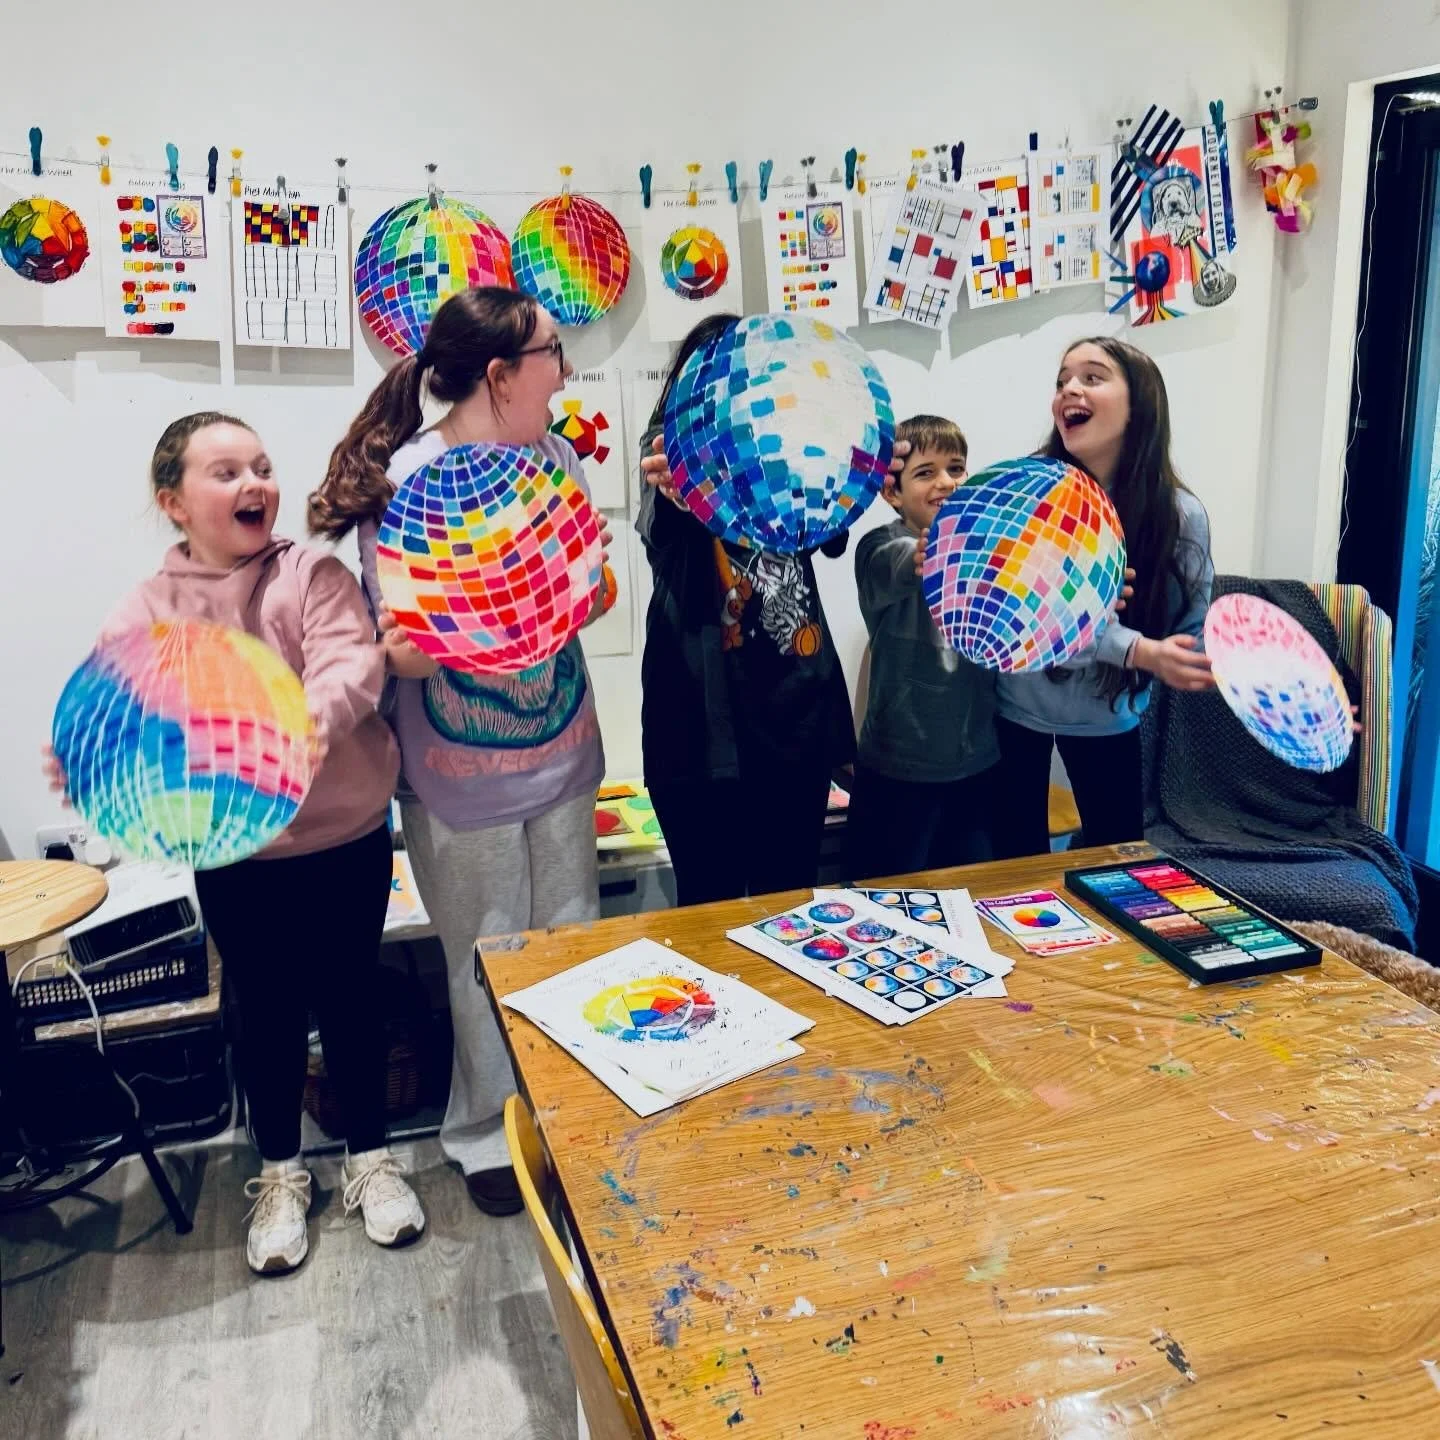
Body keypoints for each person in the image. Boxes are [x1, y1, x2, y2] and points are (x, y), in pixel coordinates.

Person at [47, 412, 424, 1276]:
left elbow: (349, 673)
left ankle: (371, 1158)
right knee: (266, 1009)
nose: (255, 484)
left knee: (351, 998)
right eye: (226, 473)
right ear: (174, 503)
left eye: (261, 466)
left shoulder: (313, 573)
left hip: (346, 835)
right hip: (237, 857)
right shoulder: (147, 608)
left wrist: (266, 738)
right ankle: (282, 1170)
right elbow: (123, 714)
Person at [308, 287, 606, 1218]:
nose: (565, 370)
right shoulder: (411, 478)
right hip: (458, 771)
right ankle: (485, 1134)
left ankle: (566, 1122)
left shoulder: (556, 458)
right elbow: (400, 644)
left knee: (569, 949)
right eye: (552, 353)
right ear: (501, 374)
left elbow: (586, 598)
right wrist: (473, 616)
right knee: (485, 958)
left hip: (563, 743)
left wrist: (578, 587)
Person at [636, 316, 856, 906]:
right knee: (707, 907)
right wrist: (679, 489)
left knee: (790, 903)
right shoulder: (666, 447)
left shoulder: (790, 444)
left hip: (797, 713)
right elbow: (659, 523)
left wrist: (848, 457)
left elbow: (831, 531)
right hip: (698, 723)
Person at [989, 336, 1215, 857]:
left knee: (1116, 862)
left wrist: (1214, 663)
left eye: (1092, 377)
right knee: (1014, 866)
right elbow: (1036, 621)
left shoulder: (1180, 515)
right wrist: (1134, 647)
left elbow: (1192, 625)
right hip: (1013, 709)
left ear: (1140, 405)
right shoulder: (1028, 493)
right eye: (1062, 380)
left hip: (1109, 714)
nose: (1069, 388)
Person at [845, 415, 998, 880]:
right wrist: (928, 553)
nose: (946, 482)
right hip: (898, 769)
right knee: (887, 893)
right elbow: (896, 564)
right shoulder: (880, 546)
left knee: (970, 890)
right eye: (926, 473)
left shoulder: (987, 553)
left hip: (976, 764)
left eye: (956, 468)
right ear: (892, 493)